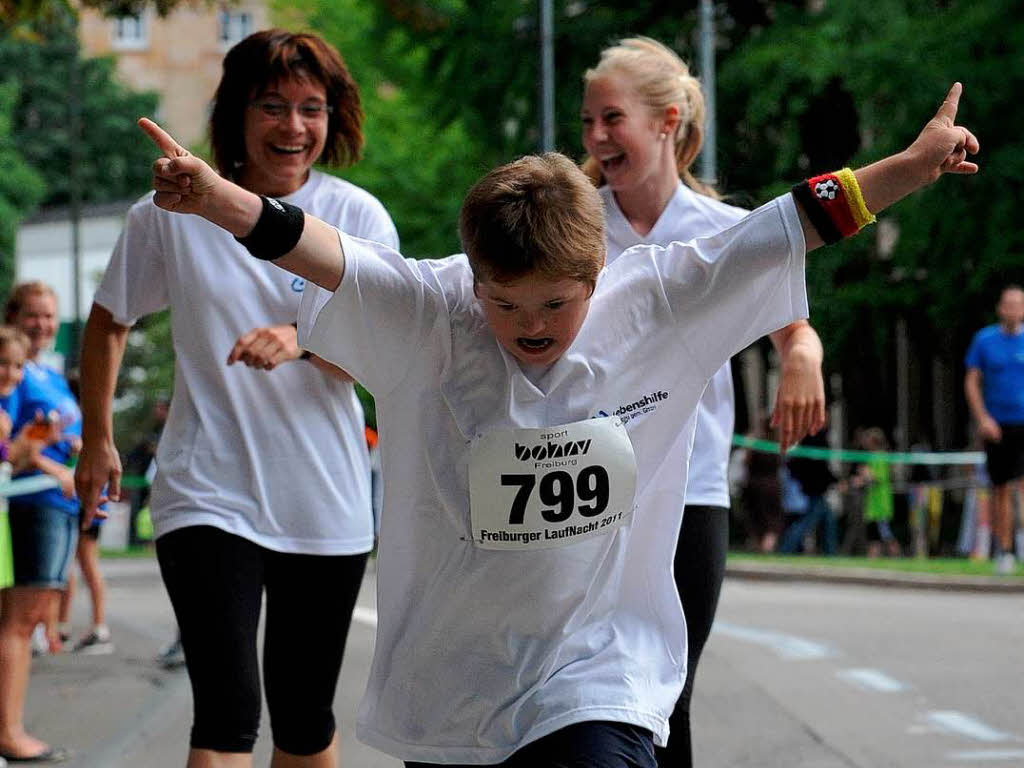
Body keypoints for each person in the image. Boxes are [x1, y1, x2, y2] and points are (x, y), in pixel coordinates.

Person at [129, 79, 976, 766]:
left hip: (598, 670)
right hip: (455, 680)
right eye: (505, 304)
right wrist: (218, 200)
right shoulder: (432, 311)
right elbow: (319, 249)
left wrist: (910, 163)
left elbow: (791, 223)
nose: (531, 327)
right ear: (472, 281)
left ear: (599, 274)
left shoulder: (659, 300)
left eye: (556, 305)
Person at [75, 30, 397, 768]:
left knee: (304, 720)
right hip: (206, 489)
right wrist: (97, 437)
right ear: (238, 113)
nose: (293, 127)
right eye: (273, 106)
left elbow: (391, 348)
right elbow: (109, 318)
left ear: (333, 117)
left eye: (311, 108)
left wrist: (305, 339)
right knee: (224, 716)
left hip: (324, 500)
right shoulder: (169, 212)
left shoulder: (359, 217)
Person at [578, 37, 826, 766]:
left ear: (669, 120)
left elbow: (795, 331)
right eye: (588, 120)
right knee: (590, 688)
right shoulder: (575, 224)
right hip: (588, 485)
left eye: (611, 118)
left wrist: (803, 360)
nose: (594, 137)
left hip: (691, 491)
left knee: (667, 691)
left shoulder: (724, 232)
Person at [0, 282, 80, 764]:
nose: (43, 325)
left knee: (25, 621)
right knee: (18, 621)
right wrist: (52, 465)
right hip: (33, 504)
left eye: (50, 316)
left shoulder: (42, 372)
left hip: (57, 503)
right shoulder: (14, 374)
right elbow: (12, 449)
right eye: (33, 316)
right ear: (14, 317)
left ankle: (10, 727)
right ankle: (8, 732)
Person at [964, 284, 1024, 574]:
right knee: (1001, 489)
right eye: (1009, 304)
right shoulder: (985, 341)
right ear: (1001, 308)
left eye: (1018, 305)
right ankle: (1005, 550)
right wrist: (983, 418)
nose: (1013, 310)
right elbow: (972, 381)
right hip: (998, 425)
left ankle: (1022, 543)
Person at [781, 429, 838, 555]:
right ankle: (786, 549)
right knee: (806, 522)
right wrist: (834, 481)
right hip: (815, 490)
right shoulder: (816, 442)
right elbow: (821, 469)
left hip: (813, 489)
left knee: (828, 520)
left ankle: (830, 553)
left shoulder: (807, 443)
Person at [851, 427, 900, 557]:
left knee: (887, 535)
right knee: (874, 538)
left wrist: (863, 477)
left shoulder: (880, 457)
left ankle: (897, 559)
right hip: (873, 506)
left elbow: (876, 477)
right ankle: (872, 562)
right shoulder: (872, 457)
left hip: (880, 505)